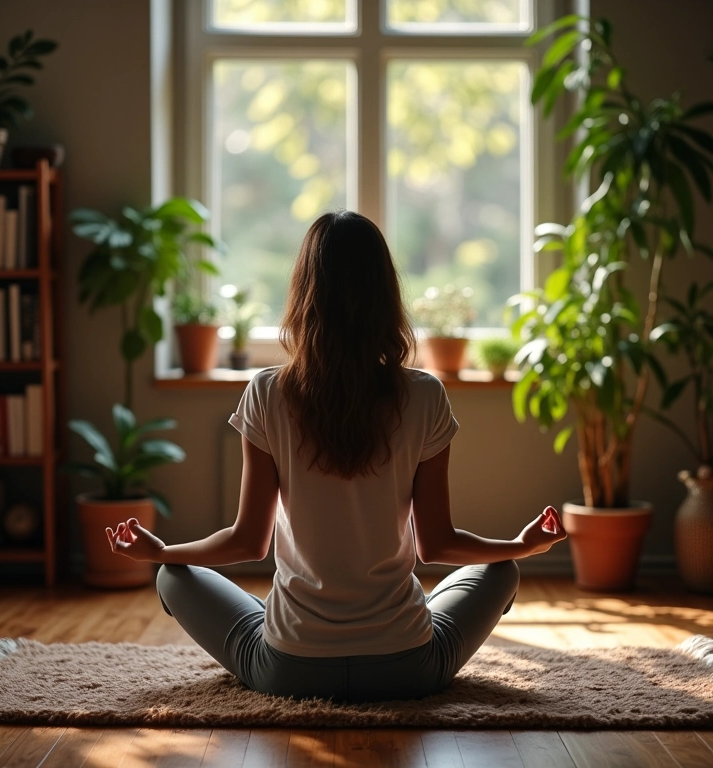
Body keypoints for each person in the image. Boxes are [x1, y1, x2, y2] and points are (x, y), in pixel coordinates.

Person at [106, 210, 567, 703]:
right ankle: (394, 620)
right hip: (409, 668)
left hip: (289, 669)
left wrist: (161, 553)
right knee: (503, 570)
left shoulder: (267, 391)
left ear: (305, 297)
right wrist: (518, 546)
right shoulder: (425, 394)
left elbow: (247, 541)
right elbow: (437, 545)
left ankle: (289, 622)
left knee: (174, 578)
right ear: (385, 298)